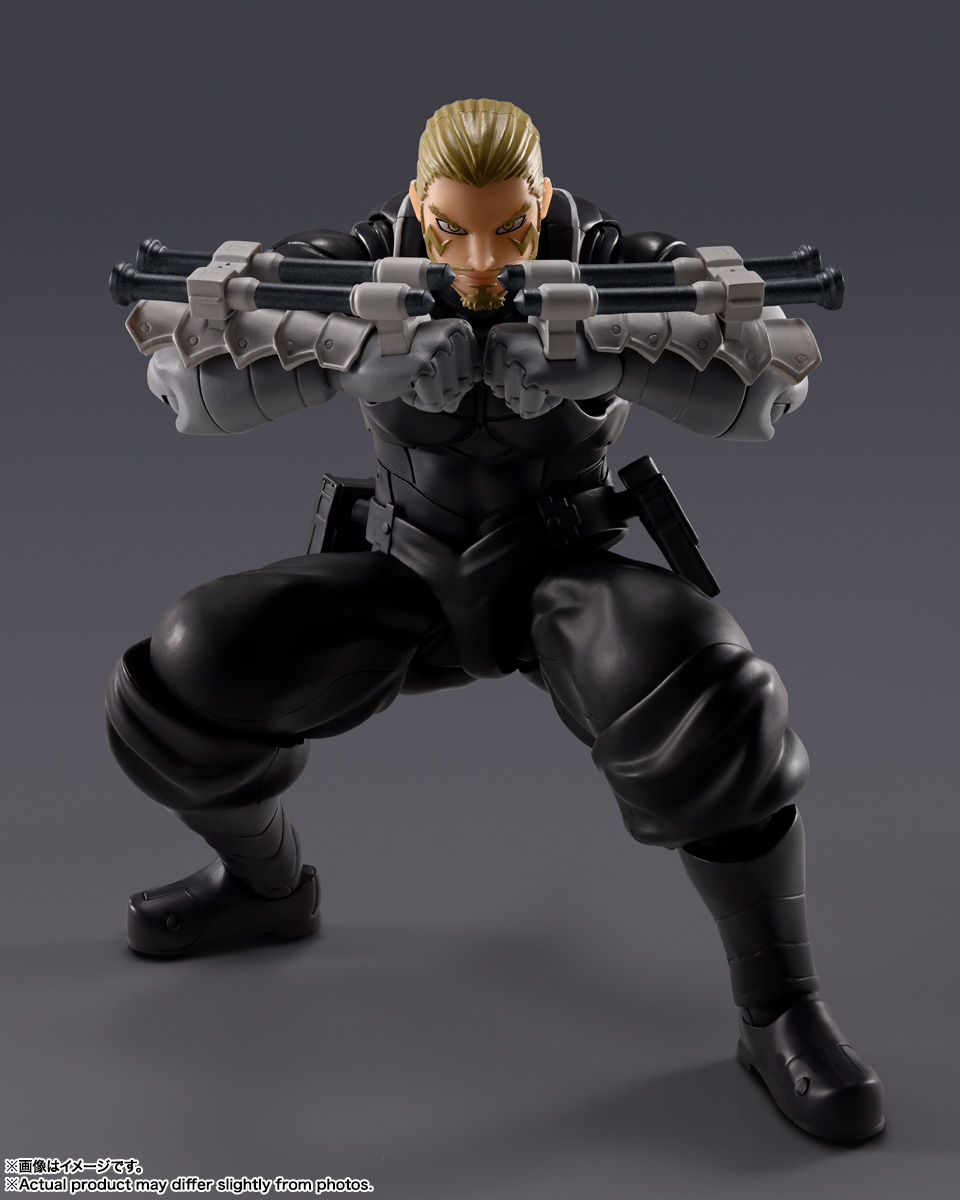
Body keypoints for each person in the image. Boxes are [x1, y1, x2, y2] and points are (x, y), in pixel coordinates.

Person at [107, 99, 884, 1140]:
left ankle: (780, 1008)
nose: (479, 260)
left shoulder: (614, 261)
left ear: (543, 199)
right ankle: (264, 889)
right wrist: (337, 362)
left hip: (558, 572)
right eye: (451, 229)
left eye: (510, 228)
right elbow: (184, 381)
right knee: (191, 666)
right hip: (404, 569)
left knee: (716, 707)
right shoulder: (354, 260)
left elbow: (774, 381)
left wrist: (620, 366)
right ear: (417, 205)